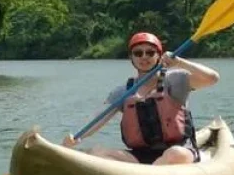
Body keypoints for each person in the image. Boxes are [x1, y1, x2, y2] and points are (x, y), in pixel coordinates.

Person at [62, 31, 220, 165]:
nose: (144, 57)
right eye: (138, 53)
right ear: (131, 57)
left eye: (150, 52)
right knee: (96, 152)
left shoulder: (175, 80)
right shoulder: (123, 91)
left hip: (179, 150)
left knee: (176, 154)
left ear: (159, 55)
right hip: (140, 156)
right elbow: (98, 120)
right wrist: (77, 138)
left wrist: (179, 62)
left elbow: (212, 78)